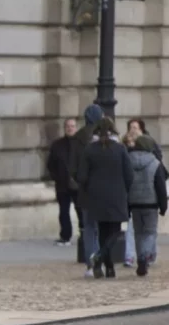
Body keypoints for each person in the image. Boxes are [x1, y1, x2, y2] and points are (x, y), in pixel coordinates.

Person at [78, 117, 132, 279]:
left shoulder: (89, 149)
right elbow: (129, 175)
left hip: (96, 196)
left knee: (102, 232)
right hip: (116, 195)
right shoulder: (120, 149)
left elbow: (82, 176)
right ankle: (101, 257)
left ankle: (108, 267)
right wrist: (124, 190)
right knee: (115, 231)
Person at [71, 103, 106, 276]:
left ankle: (91, 263)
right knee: (101, 228)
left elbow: (73, 168)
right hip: (101, 191)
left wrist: (81, 182)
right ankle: (100, 261)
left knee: (88, 228)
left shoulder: (77, 139)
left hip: (85, 191)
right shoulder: (103, 138)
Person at [126, 134, 167, 277]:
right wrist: (163, 206)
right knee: (150, 232)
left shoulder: (128, 160)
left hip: (134, 202)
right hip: (151, 203)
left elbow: (126, 183)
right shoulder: (155, 163)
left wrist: (126, 205)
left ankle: (140, 259)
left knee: (138, 233)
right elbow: (160, 186)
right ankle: (144, 257)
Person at [47, 117, 80, 245]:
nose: (70, 128)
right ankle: (65, 236)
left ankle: (83, 234)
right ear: (64, 128)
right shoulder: (57, 145)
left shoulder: (81, 144)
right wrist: (57, 177)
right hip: (62, 184)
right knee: (63, 212)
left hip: (78, 184)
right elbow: (51, 164)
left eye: (72, 126)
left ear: (76, 128)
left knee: (80, 211)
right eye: (68, 126)